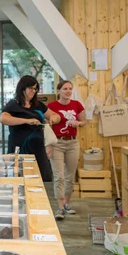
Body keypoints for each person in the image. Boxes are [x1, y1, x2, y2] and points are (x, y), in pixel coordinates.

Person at [0, 75, 61, 182]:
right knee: (19, 178)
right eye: (30, 88)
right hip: (19, 148)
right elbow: (3, 119)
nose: (33, 91)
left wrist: (53, 119)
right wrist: (27, 120)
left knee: (39, 178)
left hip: (37, 148)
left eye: (35, 88)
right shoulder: (14, 104)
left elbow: (57, 116)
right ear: (22, 88)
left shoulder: (38, 105)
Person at [48, 80, 86, 220]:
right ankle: (60, 207)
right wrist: (48, 145)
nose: (68, 91)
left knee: (70, 175)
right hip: (57, 142)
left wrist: (79, 123)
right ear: (58, 91)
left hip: (72, 143)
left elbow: (84, 122)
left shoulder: (77, 105)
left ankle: (67, 204)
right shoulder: (51, 106)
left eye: (70, 88)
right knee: (59, 176)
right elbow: (47, 127)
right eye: (65, 89)